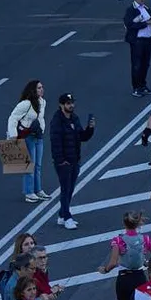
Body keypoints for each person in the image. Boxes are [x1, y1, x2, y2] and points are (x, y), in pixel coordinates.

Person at [48, 93, 96, 230]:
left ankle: (62, 215)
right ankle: (67, 217)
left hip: (74, 159)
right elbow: (55, 143)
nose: (71, 105)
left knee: (70, 189)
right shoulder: (57, 121)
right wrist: (61, 160)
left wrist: (90, 128)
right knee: (65, 189)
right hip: (64, 162)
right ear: (61, 105)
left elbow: (82, 137)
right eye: (68, 103)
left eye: (72, 103)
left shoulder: (74, 118)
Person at [7, 81, 50, 203]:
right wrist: (13, 136)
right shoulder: (25, 104)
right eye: (39, 88)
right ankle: (29, 193)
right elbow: (13, 118)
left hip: (38, 136)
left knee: (38, 166)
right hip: (28, 137)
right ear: (33, 90)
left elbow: (40, 119)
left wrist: (42, 130)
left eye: (42, 87)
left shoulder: (43, 102)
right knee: (29, 166)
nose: (42, 89)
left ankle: (38, 190)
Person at [126, 0, 151, 97]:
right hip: (137, 41)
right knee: (137, 65)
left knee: (145, 64)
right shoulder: (131, 10)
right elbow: (129, 25)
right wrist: (145, 23)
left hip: (147, 40)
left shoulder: (146, 8)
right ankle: (136, 87)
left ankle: (143, 85)